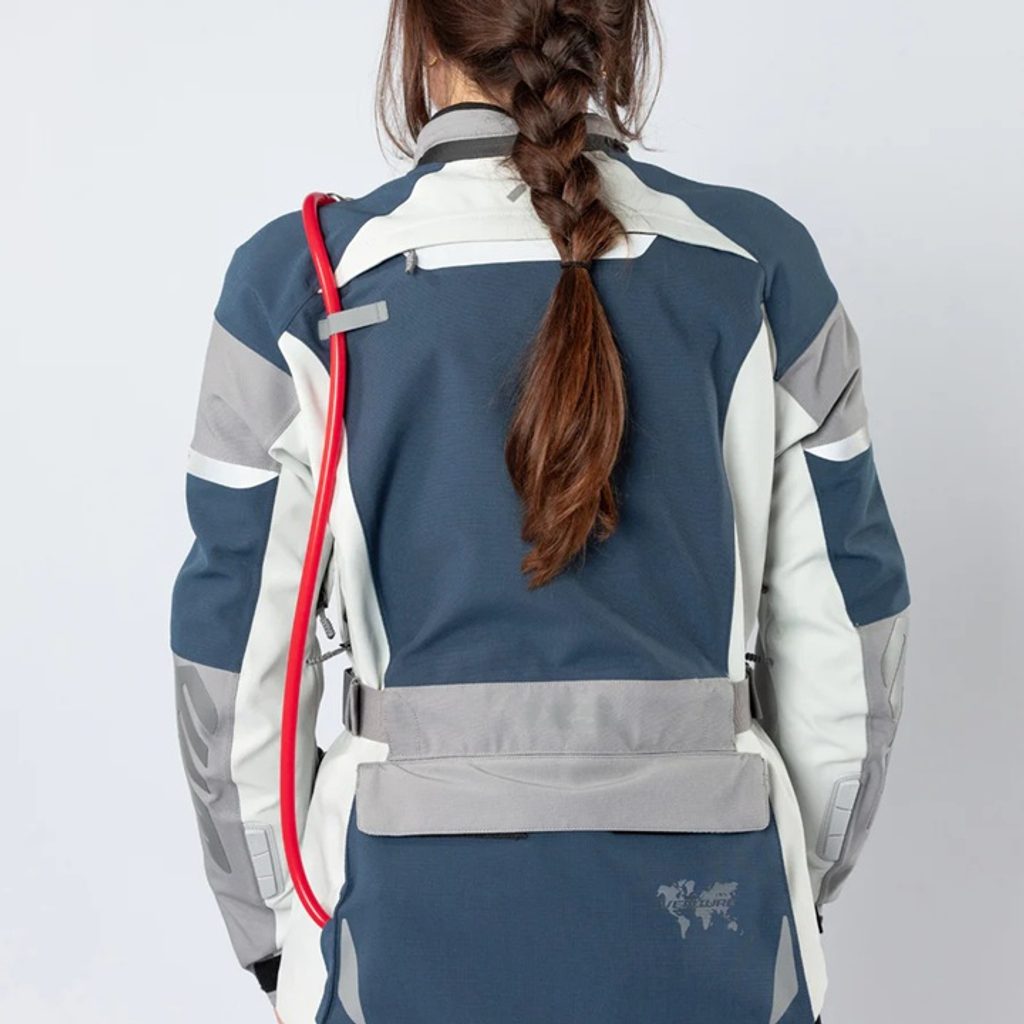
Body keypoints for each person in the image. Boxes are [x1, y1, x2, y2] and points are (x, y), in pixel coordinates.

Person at [169, 2, 911, 1021]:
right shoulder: (760, 269)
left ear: (422, 33)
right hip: (714, 923)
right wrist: (793, 881)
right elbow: (848, 642)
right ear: (614, 29)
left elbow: (237, 660)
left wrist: (272, 935)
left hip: (394, 927)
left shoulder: (302, 283)